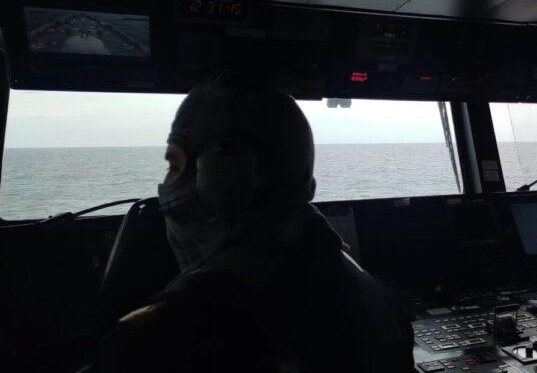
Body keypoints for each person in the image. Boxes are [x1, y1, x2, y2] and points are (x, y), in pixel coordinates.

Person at [90, 77, 414, 372]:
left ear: (221, 177)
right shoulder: (381, 301)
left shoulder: (158, 337)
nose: (165, 187)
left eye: (175, 166)